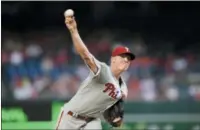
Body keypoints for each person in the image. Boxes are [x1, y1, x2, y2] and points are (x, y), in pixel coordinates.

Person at [55, 12, 135, 130]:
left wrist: (116, 119)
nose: (126, 60)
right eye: (122, 57)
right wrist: (74, 30)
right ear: (113, 59)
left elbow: (115, 111)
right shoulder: (103, 71)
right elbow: (86, 55)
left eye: (128, 59)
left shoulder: (123, 89)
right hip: (71, 116)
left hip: (92, 122)